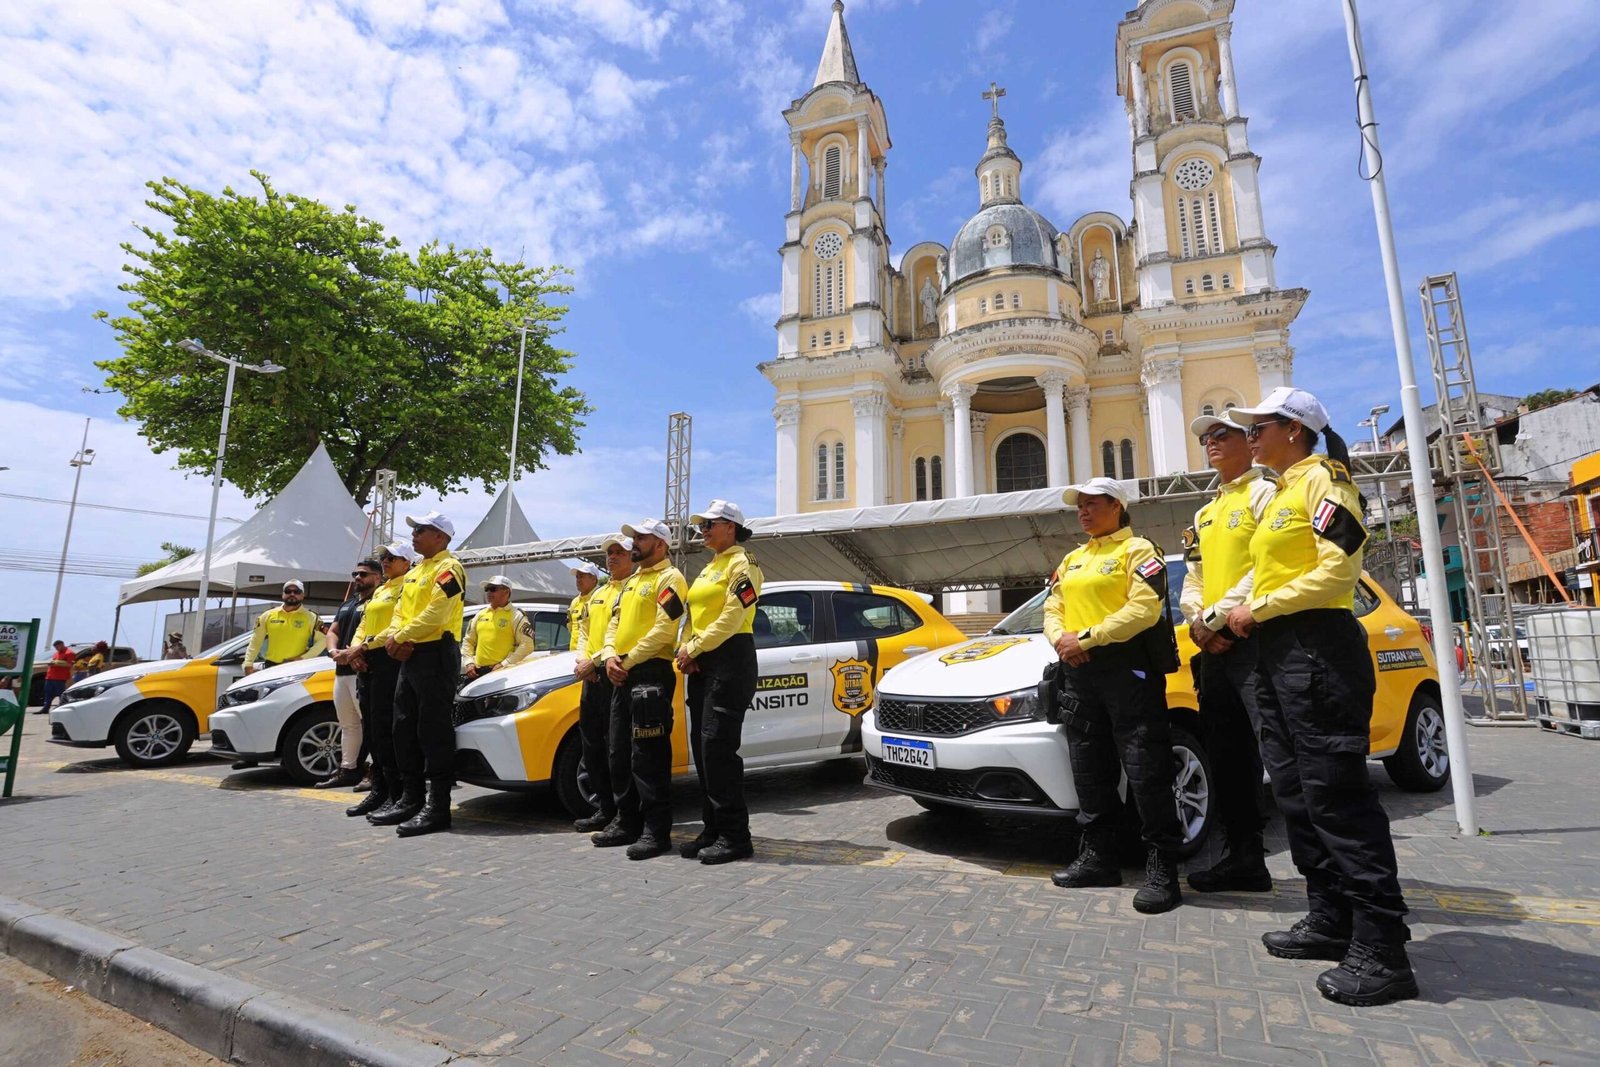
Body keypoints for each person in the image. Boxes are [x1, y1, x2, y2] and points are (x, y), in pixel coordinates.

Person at [1226, 386, 1416, 1007]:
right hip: (1279, 653)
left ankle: (1383, 949)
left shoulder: (1327, 483)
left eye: (1260, 426)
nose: (1250, 437)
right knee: (1295, 791)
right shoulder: (1282, 492)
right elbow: (1265, 571)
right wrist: (1228, 611)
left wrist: (1259, 609)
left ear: (1296, 429)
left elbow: (1338, 570)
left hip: (1317, 649)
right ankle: (1330, 917)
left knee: (1337, 796)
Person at [1044, 477, 1185, 915]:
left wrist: (1085, 639)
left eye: (1092, 504)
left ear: (1117, 507)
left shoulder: (1140, 551)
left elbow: (1144, 609)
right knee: (1089, 768)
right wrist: (1061, 640)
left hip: (1128, 672)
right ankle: (1098, 859)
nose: (1083, 512)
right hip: (1079, 674)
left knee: (1146, 770)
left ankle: (1163, 871)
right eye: (1079, 506)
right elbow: (1053, 607)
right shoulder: (1073, 559)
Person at [1178, 413, 1278, 894]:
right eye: (1205, 438)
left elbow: (1266, 566)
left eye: (1222, 435)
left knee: (1280, 756)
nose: (1211, 444)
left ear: (1250, 442)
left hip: (1257, 638)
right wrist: (1200, 623)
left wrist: (1213, 618)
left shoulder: (1266, 494)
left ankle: (1323, 885)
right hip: (1215, 646)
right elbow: (1193, 579)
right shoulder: (1205, 512)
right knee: (1228, 758)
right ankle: (1245, 860)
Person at [676, 500, 764, 865]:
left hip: (731, 659)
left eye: (710, 524)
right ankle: (712, 829)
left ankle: (735, 837)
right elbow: (693, 615)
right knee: (703, 749)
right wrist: (687, 649)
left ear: (731, 526)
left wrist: (694, 647)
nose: (704, 530)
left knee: (718, 749)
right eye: (702, 524)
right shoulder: (710, 566)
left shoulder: (745, 564)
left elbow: (732, 616)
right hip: (704, 661)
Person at [594, 519, 688, 860]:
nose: (635, 542)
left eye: (641, 538)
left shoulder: (670, 578)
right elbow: (613, 623)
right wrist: (608, 656)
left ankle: (656, 831)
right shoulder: (631, 581)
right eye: (633, 536)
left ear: (660, 544)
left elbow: (666, 630)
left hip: (649, 674)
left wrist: (628, 660)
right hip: (622, 671)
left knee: (648, 757)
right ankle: (626, 821)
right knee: (619, 753)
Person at [369, 512, 466, 838]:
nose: (414, 535)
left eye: (422, 530)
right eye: (415, 530)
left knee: (433, 730)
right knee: (403, 727)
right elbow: (400, 613)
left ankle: (438, 807)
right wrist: (396, 636)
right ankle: (411, 798)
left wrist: (402, 635)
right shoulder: (415, 572)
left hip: (436, 654)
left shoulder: (449, 569)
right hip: (410, 654)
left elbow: (438, 611)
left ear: (441, 537)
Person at [342, 542, 414, 817]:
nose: (386, 561)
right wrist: (355, 651)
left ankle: (397, 794)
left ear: (406, 563)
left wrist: (362, 648)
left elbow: (398, 626)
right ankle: (379, 790)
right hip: (368, 659)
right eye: (384, 557)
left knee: (389, 732)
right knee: (371, 730)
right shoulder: (382, 589)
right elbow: (363, 624)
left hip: (390, 658)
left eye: (392, 558)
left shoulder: (407, 586)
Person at [571, 536, 635, 833]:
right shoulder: (598, 594)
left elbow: (622, 633)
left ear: (632, 556)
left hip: (614, 675)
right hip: (592, 677)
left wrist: (595, 663)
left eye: (618, 552)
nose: (612, 557)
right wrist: (585, 662)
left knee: (617, 748)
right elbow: (584, 630)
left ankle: (625, 813)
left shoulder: (630, 589)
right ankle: (605, 808)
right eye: (609, 553)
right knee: (592, 744)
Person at [318, 559, 381, 789]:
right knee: (348, 724)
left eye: (363, 574)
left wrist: (354, 653)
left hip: (364, 670)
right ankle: (349, 768)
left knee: (372, 725)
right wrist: (335, 650)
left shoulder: (380, 601)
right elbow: (333, 630)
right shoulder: (348, 604)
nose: (357, 578)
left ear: (377, 577)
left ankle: (376, 772)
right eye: (355, 573)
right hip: (341, 671)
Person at [461, 575, 535, 681]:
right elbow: (468, 641)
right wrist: (468, 662)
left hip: (503, 674)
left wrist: (504, 664)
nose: (489, 592)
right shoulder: (481, 614)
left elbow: (528, 645)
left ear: (506, 591)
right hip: (477, 673)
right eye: (487, 589)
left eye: (493, 589)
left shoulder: (516, 615)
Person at [244, 581, 326, 674]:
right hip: (271, 667)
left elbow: (323, 641)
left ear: (303, 595)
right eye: (288, 591)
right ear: (282, 594)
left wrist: (303, 658)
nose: (292, 594)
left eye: (297, 591)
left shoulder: (312, 617)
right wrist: (248, 664)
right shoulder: (268, 615)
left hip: (298, 668)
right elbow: (256, 641)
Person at [566, 562, 602, 652]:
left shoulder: (601, 597)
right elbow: (570, 626)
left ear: (594, 579)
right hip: (573, 654)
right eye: (577, 577)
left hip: (592, 656)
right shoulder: (575, 601)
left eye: (582, 576)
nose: (578, 580)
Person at [36, 640, 75, 715]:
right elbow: (54, 661)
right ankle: (45, 708)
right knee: (48, 693)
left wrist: (57, 663)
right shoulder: (56, 653)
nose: (57, 649)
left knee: (61, 693)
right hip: (50, 676)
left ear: (62, 644)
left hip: (60, 677)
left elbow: (70, 665)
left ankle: (63, 708)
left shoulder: (69, 653)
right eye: (55, 647)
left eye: (58, 647)